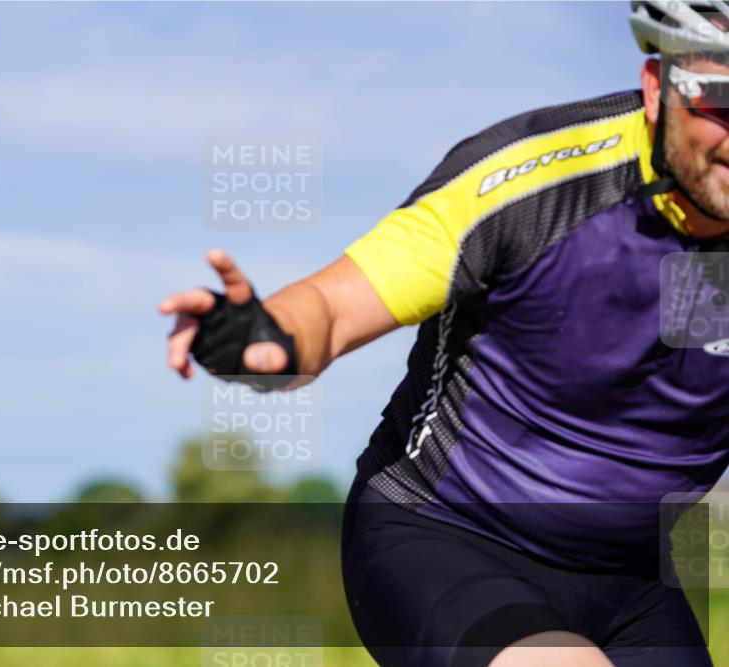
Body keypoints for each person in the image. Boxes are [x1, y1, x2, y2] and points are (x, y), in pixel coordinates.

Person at [159, 2, 729, 666]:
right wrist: (268, 337)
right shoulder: (530, 183)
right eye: (718, 100)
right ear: (658, 90)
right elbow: (332, 307)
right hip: (447, 534)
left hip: (631, 581)